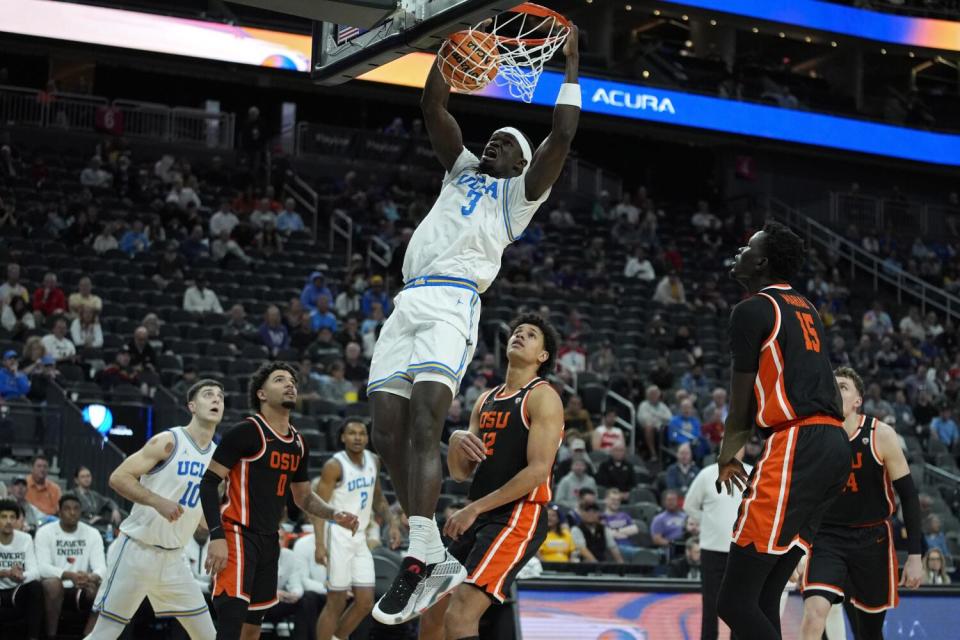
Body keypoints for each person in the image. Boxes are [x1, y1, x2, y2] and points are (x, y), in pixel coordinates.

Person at [369, 25, 581, 624]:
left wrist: (570, 70)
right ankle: (429, 551)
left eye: (504, 143)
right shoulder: (458, 170)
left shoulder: (518, 196)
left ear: (519, 162)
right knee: (386, 429)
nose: (492, 145)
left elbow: (560, 135)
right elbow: (432, 105)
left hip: (454, 302)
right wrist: (448, 51)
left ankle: (420, 548)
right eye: (489, 140)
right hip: (407, 301)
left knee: (425, 419)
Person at [715, 222, 851, 640]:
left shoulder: (753, 309)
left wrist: (727, 454)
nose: (740, 250)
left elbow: (741, 404)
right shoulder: (806, 306)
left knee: (733, 603)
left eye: (748, 246)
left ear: (764, 262)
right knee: (761, 597)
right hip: (832, 446)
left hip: (797, 442)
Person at [417, 313, 564, 638]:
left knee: (460, 614)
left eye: (531, 335)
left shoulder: (542, 396)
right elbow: (459, 472)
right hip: (480, 512)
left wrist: (474, 508)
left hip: (518, 516)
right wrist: (454, 438)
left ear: (542, 356)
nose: (520, 335)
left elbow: (538, 471)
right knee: (431, 608)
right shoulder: (486, 399)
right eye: (517, 331)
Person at [199, 362, 358, 640]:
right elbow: (208, 482)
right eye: (280, 380)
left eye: (293, 381)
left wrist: (335, 514)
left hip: (270, 540)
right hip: (237, 534)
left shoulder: (298, 442)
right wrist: (216, 536)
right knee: (231, 622)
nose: (290, 385)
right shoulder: (246, 432)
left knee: (253, 627)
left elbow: (304, 496)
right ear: (261, 394)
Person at [82, 379, 224, 640]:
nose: (216, 400)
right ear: (192, 406)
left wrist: (222, 534)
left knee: (208, 635)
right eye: (208, 395)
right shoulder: (168, 440)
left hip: (174, 560)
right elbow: (118, 477)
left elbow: (204, 519)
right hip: (136, 551)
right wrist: (158, 501)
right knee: (104, 634)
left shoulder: (217, 459)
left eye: (220, 397)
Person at [799, 367, 924, 640]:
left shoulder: (881, 435)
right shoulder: (812, 437)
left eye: (842, 387)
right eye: (831, 386)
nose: (834, 390)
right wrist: (796, 548)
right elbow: (801, 498)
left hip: (872, 539)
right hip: (826, 537)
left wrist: (915, 555)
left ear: (858, 400)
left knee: (868, 631)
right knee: (813, 614)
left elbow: (909, 496)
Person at [314, 419, 400, 640]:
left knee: (365, 601)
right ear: (343, 437)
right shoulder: (334, 466)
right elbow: (318, 509)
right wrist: (319, 544)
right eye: (352, 433)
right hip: (337, 534)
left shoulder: (374, 460)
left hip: (359, 536)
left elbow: (378, 498)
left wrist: (391, 522)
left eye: (362, 433)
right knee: (337, 600)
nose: (357, 437)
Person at [684, 449, 751, 640]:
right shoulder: (706, 474)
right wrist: (706, 520)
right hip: (712, 549)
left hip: (742, 549)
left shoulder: (754, 473)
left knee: (740, 604)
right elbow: (689, 505)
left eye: (737, 445)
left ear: (744, 450)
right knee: (710, 604)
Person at [35, 494, 106, 637]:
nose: (72, 512)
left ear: (81, 511)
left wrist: (91, 576)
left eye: (76, 509)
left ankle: (89, 636)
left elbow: (102, 568)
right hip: (55, 584)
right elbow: (42, 567)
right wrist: (69, 575)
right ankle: (51, 636)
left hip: (82, 585)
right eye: (67, 509)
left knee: (103, 588)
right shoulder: (45, 532)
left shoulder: (92, 533)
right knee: (53, 584)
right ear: (59, 512)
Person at [0, 499, 43, 640]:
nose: (8, 521)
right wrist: (7, 573)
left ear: (18, 520)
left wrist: (19, 575)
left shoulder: (25, 539)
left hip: (17, 589)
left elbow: (35, 572)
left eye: (12, 517)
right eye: (4, 517)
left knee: (36, 586)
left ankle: (33, 637)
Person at [72, 466, 121, 532]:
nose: (86, 479)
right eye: (83, 477)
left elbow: (109, 502)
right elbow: (71, 515)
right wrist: (89, 521)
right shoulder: (72, 495)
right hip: (82, 526)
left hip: (97, 524)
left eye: (88, 476)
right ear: (76, 480)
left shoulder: (94, 495)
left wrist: (115, 510)